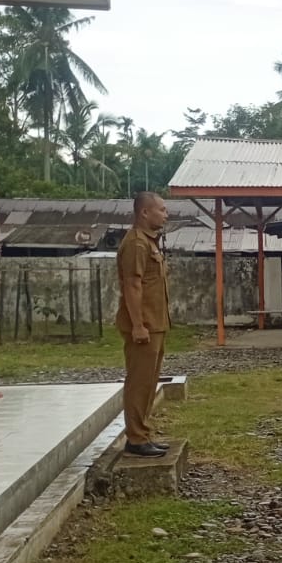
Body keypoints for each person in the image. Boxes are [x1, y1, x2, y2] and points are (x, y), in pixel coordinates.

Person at [115, 191, 172, 457]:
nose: (166, 214)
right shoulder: (137, 244)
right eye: (161, 209)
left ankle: (143, 433)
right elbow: (133, 284)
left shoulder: (150, 242)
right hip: (144, 325)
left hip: (155, 322)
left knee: (149, 381)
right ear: (144, 213)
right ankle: (136, 439)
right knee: (139, 381)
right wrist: (138, 325)